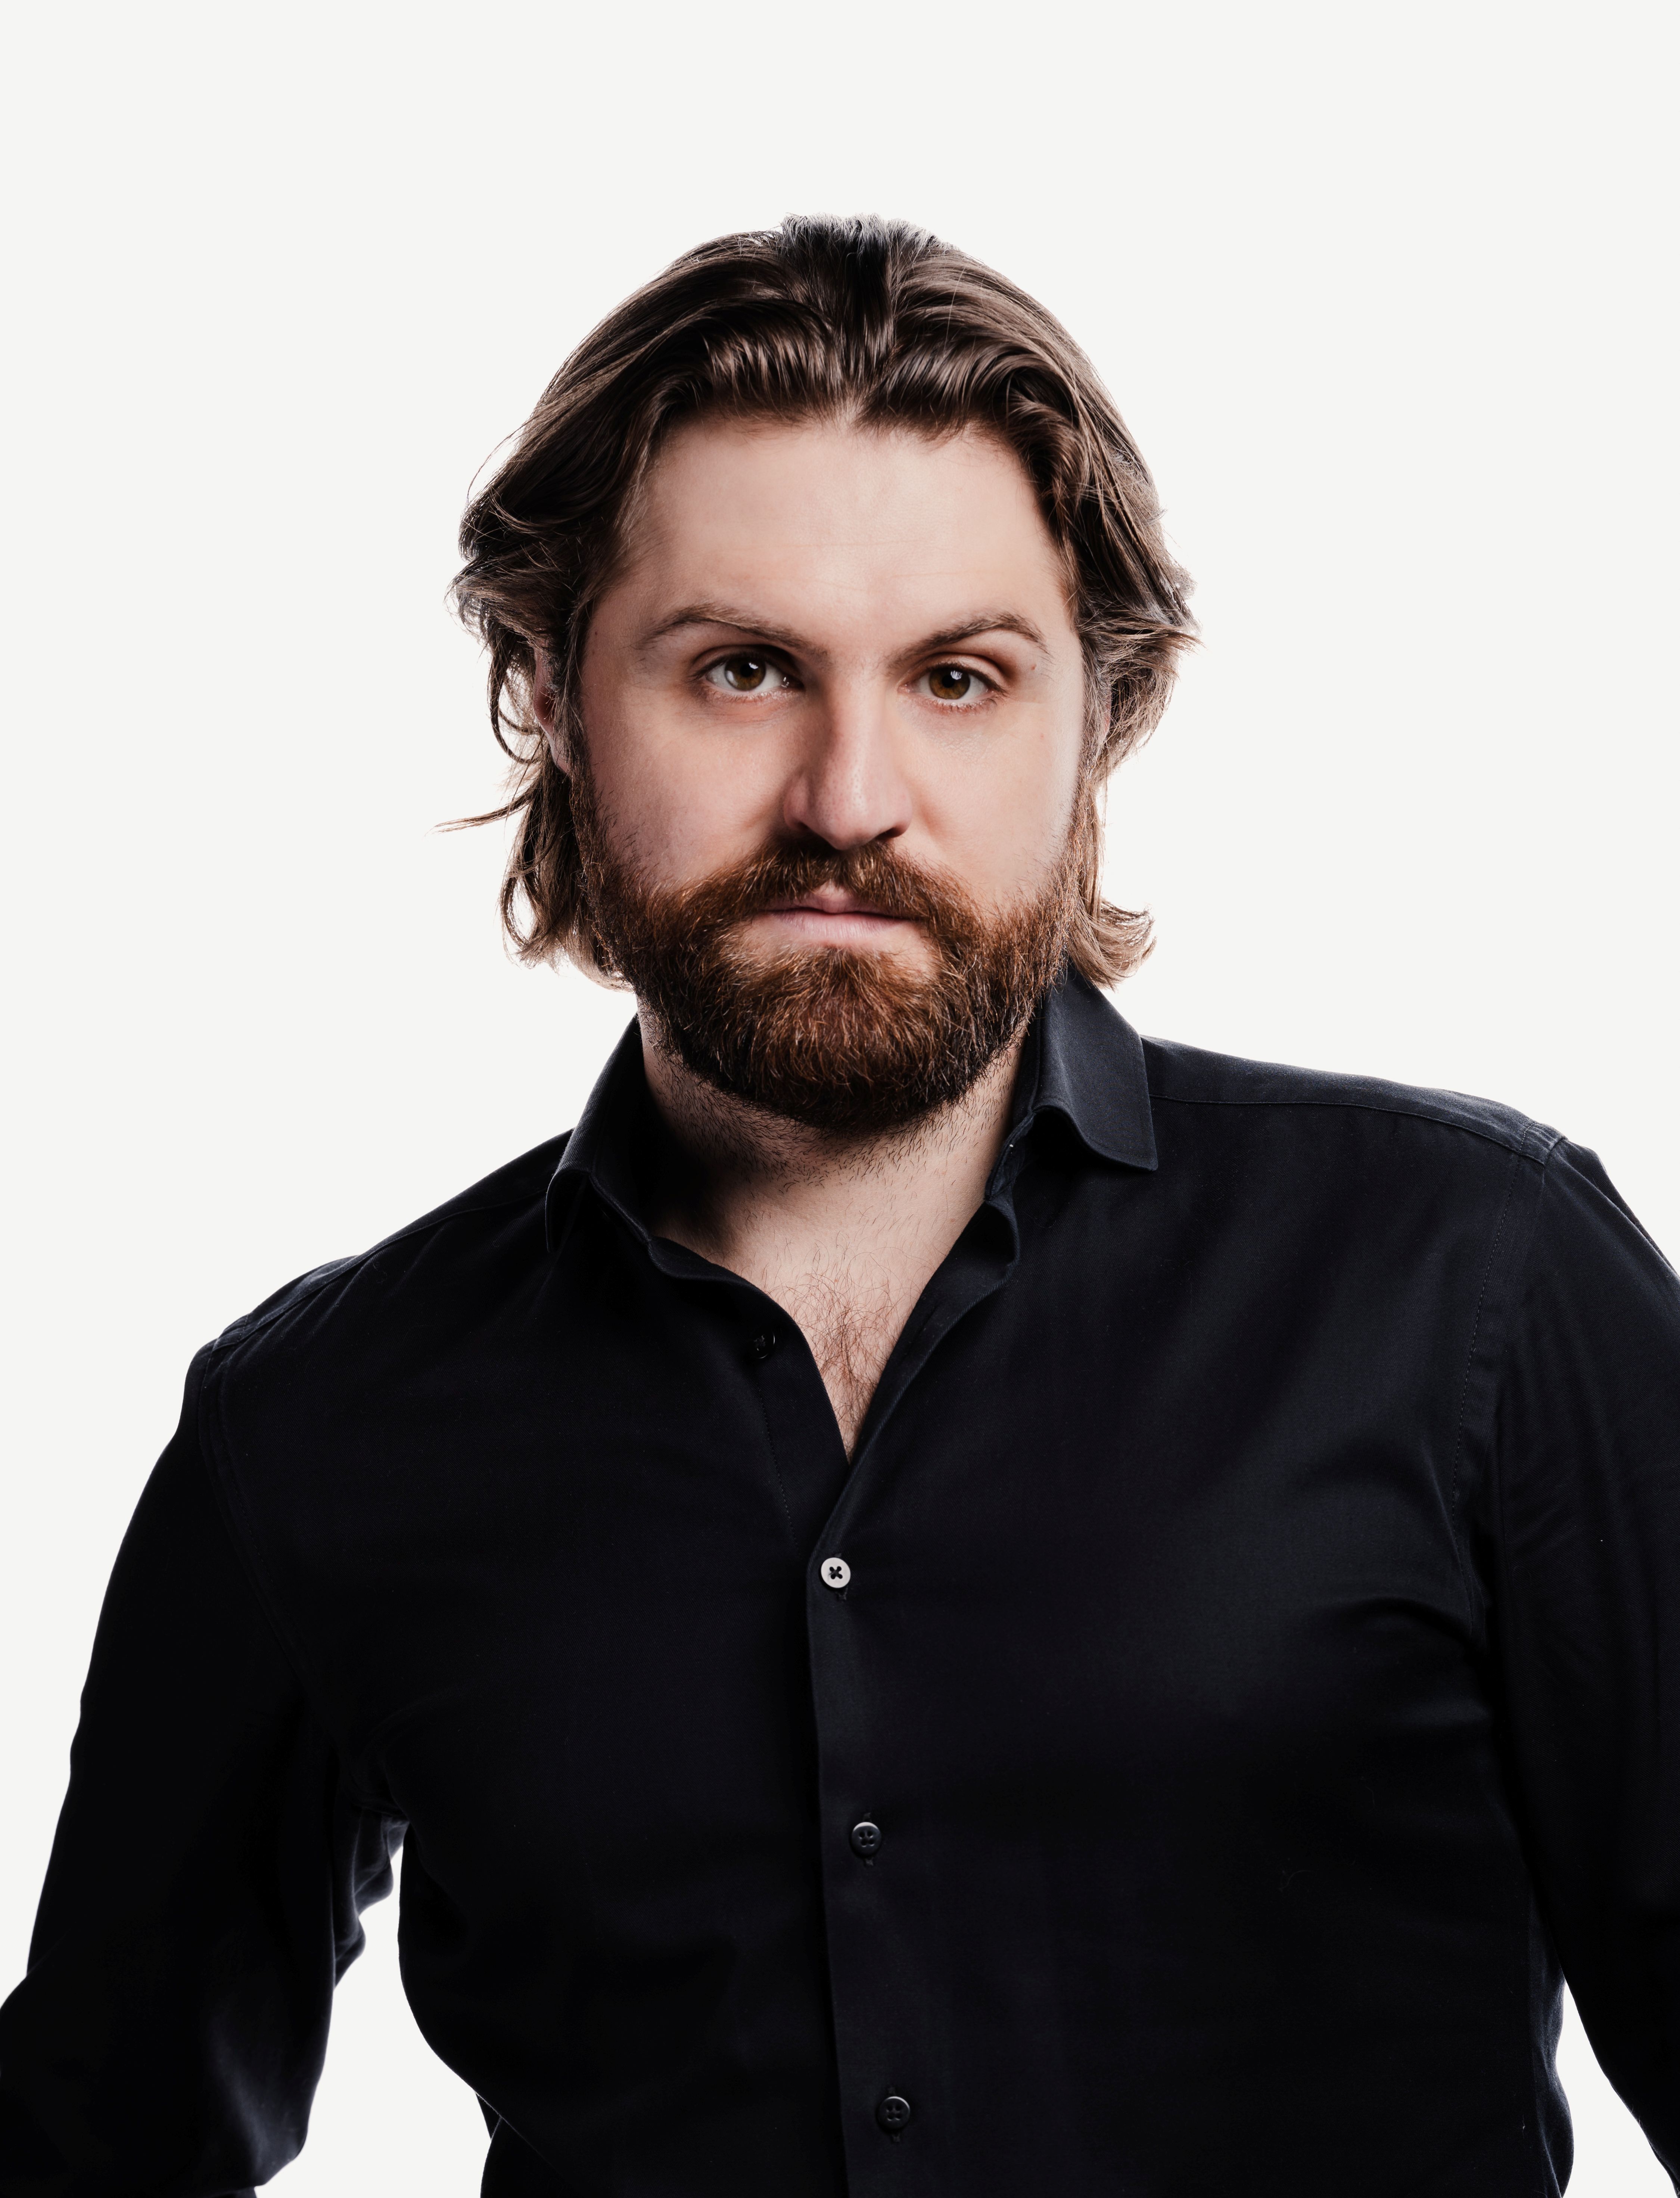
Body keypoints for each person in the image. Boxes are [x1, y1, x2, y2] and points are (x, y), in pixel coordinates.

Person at [1, 215, 1675, 2198]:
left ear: (1102, 720)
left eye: (959, 677)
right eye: (742, 671)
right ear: (551, 696)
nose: (846, 795)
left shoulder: (1478, 1286)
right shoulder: (313, 1427)